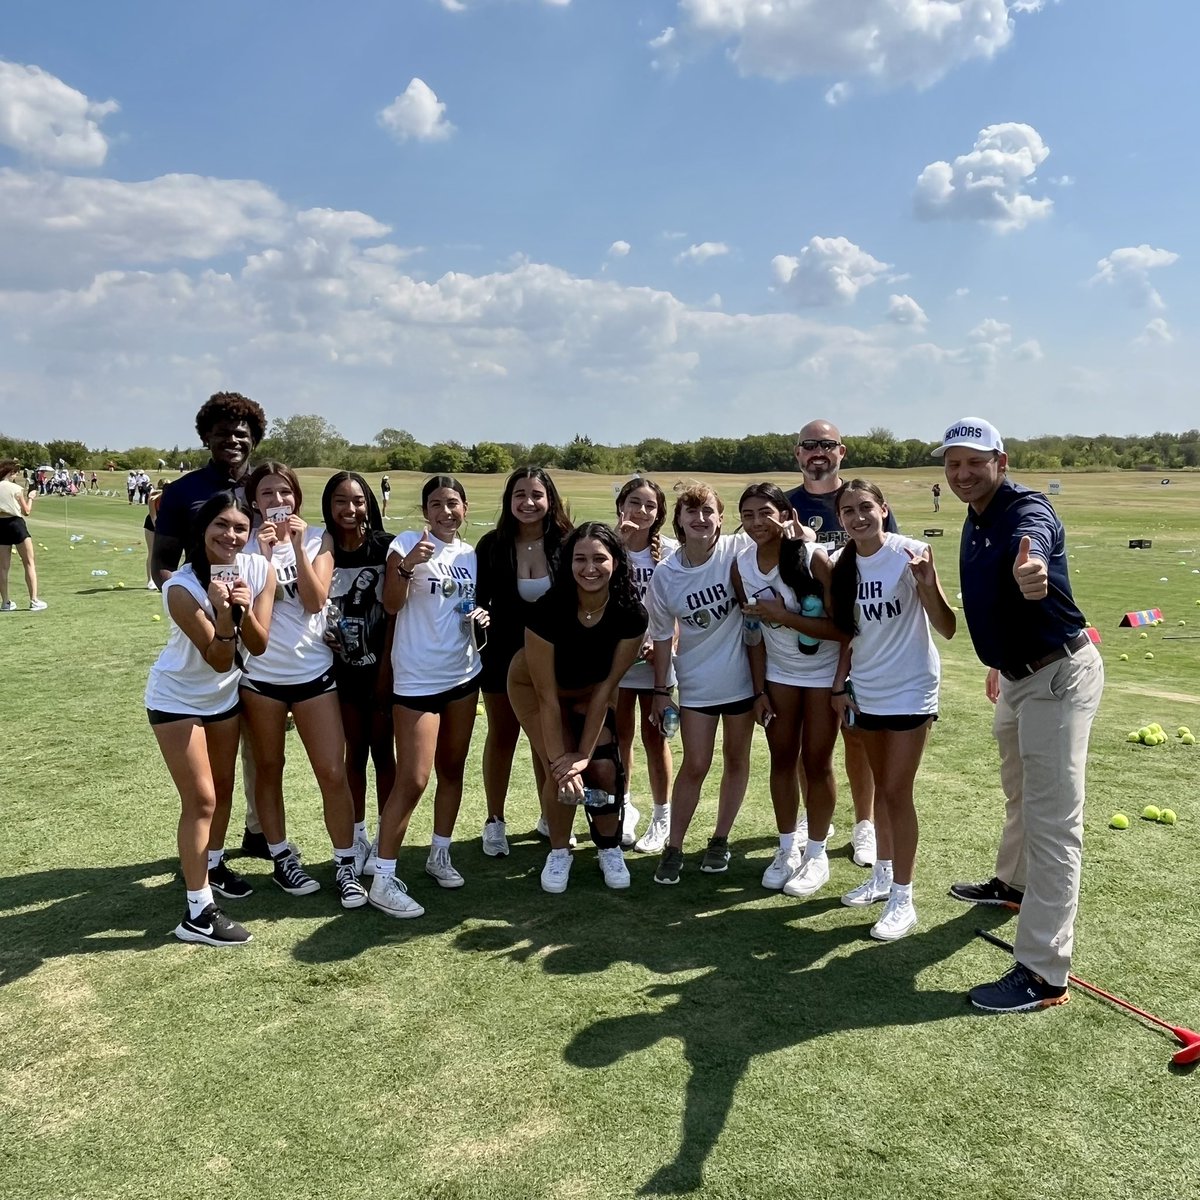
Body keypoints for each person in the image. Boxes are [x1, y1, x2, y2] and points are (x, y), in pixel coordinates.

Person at [935, 418, 1103, 1011]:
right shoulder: (975, 514)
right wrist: (1001, 661)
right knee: (1019, 790)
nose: (963, 474)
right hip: (1017, 674)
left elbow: (1038, 540)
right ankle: (1014, 884)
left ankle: (1043, 972)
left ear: (1000, 462)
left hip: (1056, 674)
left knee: (1055, 823)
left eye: (974, 462)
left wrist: (1033, 573)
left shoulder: (1027, 509)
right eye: (953, 464)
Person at [827, 479, 956, 940]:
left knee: (898, 792)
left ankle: (904, 898)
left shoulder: (910, 552)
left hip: (910, 689)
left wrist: (926, 587)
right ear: (840, 519)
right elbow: (850, 634)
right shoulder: (844, 563)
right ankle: (882, 877)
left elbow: (947, 627)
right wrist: (843, 683)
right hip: (868, 690)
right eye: (848, 511)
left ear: (883, 509)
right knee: (882, 788)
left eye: (866, 507)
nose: (858, 517)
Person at [145, 491, 275, 946]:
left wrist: (241, 607)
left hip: (222, 701)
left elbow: (257, 646)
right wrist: (224, 615)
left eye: (241, 528)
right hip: (177, 699)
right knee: (200, 800)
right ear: (202, 532)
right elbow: (220, 658)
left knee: (220, 795)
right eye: (221, 526)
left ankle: (213, 865)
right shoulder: (180, 587)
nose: (232, 536)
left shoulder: (259, 569)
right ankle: (198, 913)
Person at [239, 463, 367, 910]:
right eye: (268, 493)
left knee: (332, 772)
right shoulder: (244, 541)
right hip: (261, 678)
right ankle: (280, 856)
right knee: (269, 769)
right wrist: (261, 554)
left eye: (285, 493)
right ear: (254, 500)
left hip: (314, 674)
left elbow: (314, 601)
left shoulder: (317, 538)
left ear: (296, 497)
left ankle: (345, 865)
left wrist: (293, 546)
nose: (278, 501)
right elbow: (252, 617)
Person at [151, 391, 269, 856]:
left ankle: (258, 831)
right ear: (206, 438)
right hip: (209, 623)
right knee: (215, 759)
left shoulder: (266, 488)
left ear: (254, 438)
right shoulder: (183, 493)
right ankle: (208, 855)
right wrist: (195, 604)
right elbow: (161, 563)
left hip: (261, 624)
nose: (233, 442)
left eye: (242, 434)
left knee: (261, 747)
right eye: (222, 434)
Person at [368, 476, 489, 918]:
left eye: (452, 503)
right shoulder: (405, 542)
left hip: (462, 674)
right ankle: (383, 877)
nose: (445, 511)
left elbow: (471, 605)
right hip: (416, 680)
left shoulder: (470, 555)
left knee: (452, 769)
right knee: (413, 779)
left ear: (465, 507)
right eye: (436, 504)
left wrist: (482, 615)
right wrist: (406, 566)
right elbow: (392, 604)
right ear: (425, 511)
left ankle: (440, 853)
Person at [508, 522, 648, 894]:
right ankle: (558, 850)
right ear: (567, 563)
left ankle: (609, 847)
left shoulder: (631, 614)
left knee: (602, 764)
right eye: (580, 559)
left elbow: (605, 690)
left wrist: (584, 758)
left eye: (600, 559)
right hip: (536, 689)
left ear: (616, 562)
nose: (590, 568)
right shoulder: (547, 611)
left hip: (591, 690)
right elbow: (547, 698)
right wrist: (565, 764)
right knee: (561, 771)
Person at [784, 419, 896, 868]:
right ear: (798, 453)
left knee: (857, 736)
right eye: (809, 445)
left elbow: (889, 560)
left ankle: (864, 825)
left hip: (858, 643)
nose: (817, 452)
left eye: (826, 446)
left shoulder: (859, 502)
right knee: (805, 743)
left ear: (841, 452)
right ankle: (817, 814)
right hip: (802, 643)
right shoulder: (785, 505)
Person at [733, 483, 844, 897]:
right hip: (778, 676)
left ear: (784, 512)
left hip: (820, 676)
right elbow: (754, 631)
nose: (758, 522)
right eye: (748, 515)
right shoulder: (742, 564)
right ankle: (786, 849)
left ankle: (816, 853)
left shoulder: (813, 557)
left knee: (817, 763)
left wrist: (785, 616)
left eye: (766, 512)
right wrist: (758, 689)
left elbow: (840, 628)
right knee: (781, 760)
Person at [646, 483, 755, 885]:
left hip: (743, 681)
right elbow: (660, 634)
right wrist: (661, 691)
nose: (700, 518)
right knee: (695, 764)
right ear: (679, 521)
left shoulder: (736, 549)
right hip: (696, 683)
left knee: (737, 759)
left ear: (721, 518)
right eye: (691, 512)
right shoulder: (666, 574)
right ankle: (674, 846)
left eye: (708, 511)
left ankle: (719, 840)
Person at [474, 467, 572, 857]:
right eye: (520, 495)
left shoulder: (566, 543)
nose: (528, 503)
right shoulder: (491, 545)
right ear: (508, 500)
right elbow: (477, 598)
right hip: (500, 655)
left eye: (536, 494)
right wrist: (478, 613)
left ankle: (550, 818)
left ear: (550, 499)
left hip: (554, 657)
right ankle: (495, 820)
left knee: (546, 740)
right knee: (502, 736)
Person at [320, 472, 396, 874]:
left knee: (384, 752)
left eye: (358, 500)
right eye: (340, 502)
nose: (350, 510)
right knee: (353, 755)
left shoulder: (387, 548)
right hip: (338, 673)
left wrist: (387, 669)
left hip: (382, 668)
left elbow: (399, 611)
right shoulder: (322, 550)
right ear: (328, 507)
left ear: (369, 502)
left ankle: (387, 834)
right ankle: (357, 834)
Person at [614, 477, 678, 855]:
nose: (641, 512)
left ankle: (661, 816)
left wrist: (665, 643)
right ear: (621, 505)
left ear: (659, 514)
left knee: (656, 739)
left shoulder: (669, 551)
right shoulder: (608, 543)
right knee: (620, 738)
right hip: (618, 660)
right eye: (634, 503)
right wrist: (618, 545)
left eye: (650, 506)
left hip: (658, 660)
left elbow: (681, 607)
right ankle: (623, 806)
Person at [0, 461, 47, 612]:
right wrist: (31, 497)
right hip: (16, 524)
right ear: (10, 472)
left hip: (0, 526)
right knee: (28, 563)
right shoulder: (15, 488)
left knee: (3, 568)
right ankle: (34, 600)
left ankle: (5, 602)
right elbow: (26, 511)